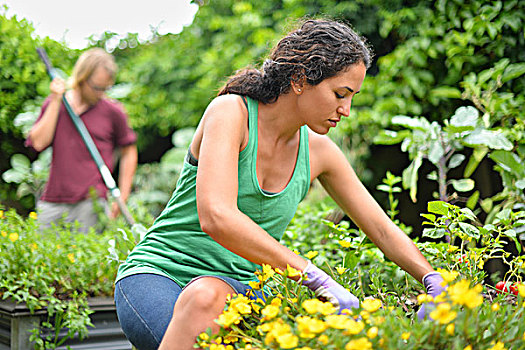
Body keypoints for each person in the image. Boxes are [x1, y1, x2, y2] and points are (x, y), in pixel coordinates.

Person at [114, 19, 444, 350]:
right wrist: (313, 276)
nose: (346, 110)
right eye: (340, 94)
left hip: (239, 291)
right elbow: (216, 216)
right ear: (300, 80)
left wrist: (434, 281)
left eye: (352, 97)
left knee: (215, 298)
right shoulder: (232, 113)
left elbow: (381, 229)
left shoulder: (319, 152)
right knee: (203, 301)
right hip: (162, 277)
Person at [26, 48, 137, 233]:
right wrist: (55, 100)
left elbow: (129, 151)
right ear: (81, 78)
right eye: (97, 88)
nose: (101, 94)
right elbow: (38, 143)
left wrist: (123, 196)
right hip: (52, 200)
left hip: (91, 202)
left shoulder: (113, 112)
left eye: (106, 88)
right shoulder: (56, 104)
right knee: (40, 259)